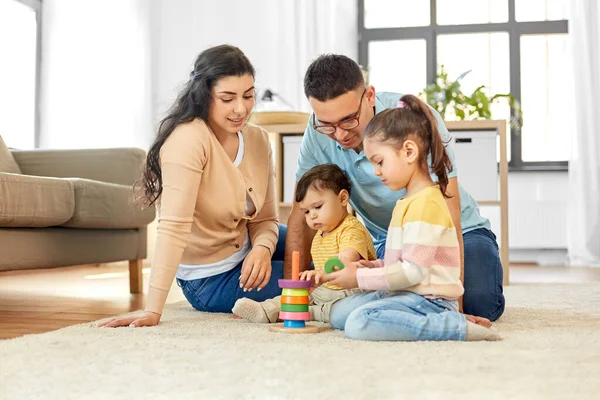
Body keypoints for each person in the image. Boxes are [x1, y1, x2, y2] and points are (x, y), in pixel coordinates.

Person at [284, 54, 505, 321]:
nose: (340, 134)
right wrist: (291, 296)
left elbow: (450, 210)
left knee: (478, 304)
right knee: (355, 303)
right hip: (393, 243)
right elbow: (300, 212)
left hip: (453, 235)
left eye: (348, 120)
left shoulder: (411, 121)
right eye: (327, 124)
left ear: (369, 96)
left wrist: (455, 309)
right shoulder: (317, 133)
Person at [100, 45, 286, 328]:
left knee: (318, 239)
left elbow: (265, 218)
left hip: (249, 245)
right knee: (310, 277)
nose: (241, 108)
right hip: (210, 279)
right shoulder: (187, 140)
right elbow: (173, 227)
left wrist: (262, 248)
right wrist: (152, 310)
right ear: (203, 95)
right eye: (227, 98)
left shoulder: (258, 139)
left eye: (248, 96)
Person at [319, 94, 500, 341]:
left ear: (409, 151)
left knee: (358, 323)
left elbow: (413, 271)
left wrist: (359, 277)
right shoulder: (407, 202)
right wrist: (369, 266)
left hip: (429, 300)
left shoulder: (427, 204)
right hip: (409, 291)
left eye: (380, 161)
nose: (376, 172)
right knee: (340, 314)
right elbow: (404, 263)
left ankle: (451, 327)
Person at [232, 164, 377, 323]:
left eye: (318, 207)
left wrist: (321, 273)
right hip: (326, 289)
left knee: (339, 309)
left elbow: (346, 258)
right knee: (296, 294)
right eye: (306, 211)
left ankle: (312, 313)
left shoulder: (351, 229)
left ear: (342, 199)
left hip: (351, 291)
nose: (312, 216)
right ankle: (266, 310)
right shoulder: (320, 234)